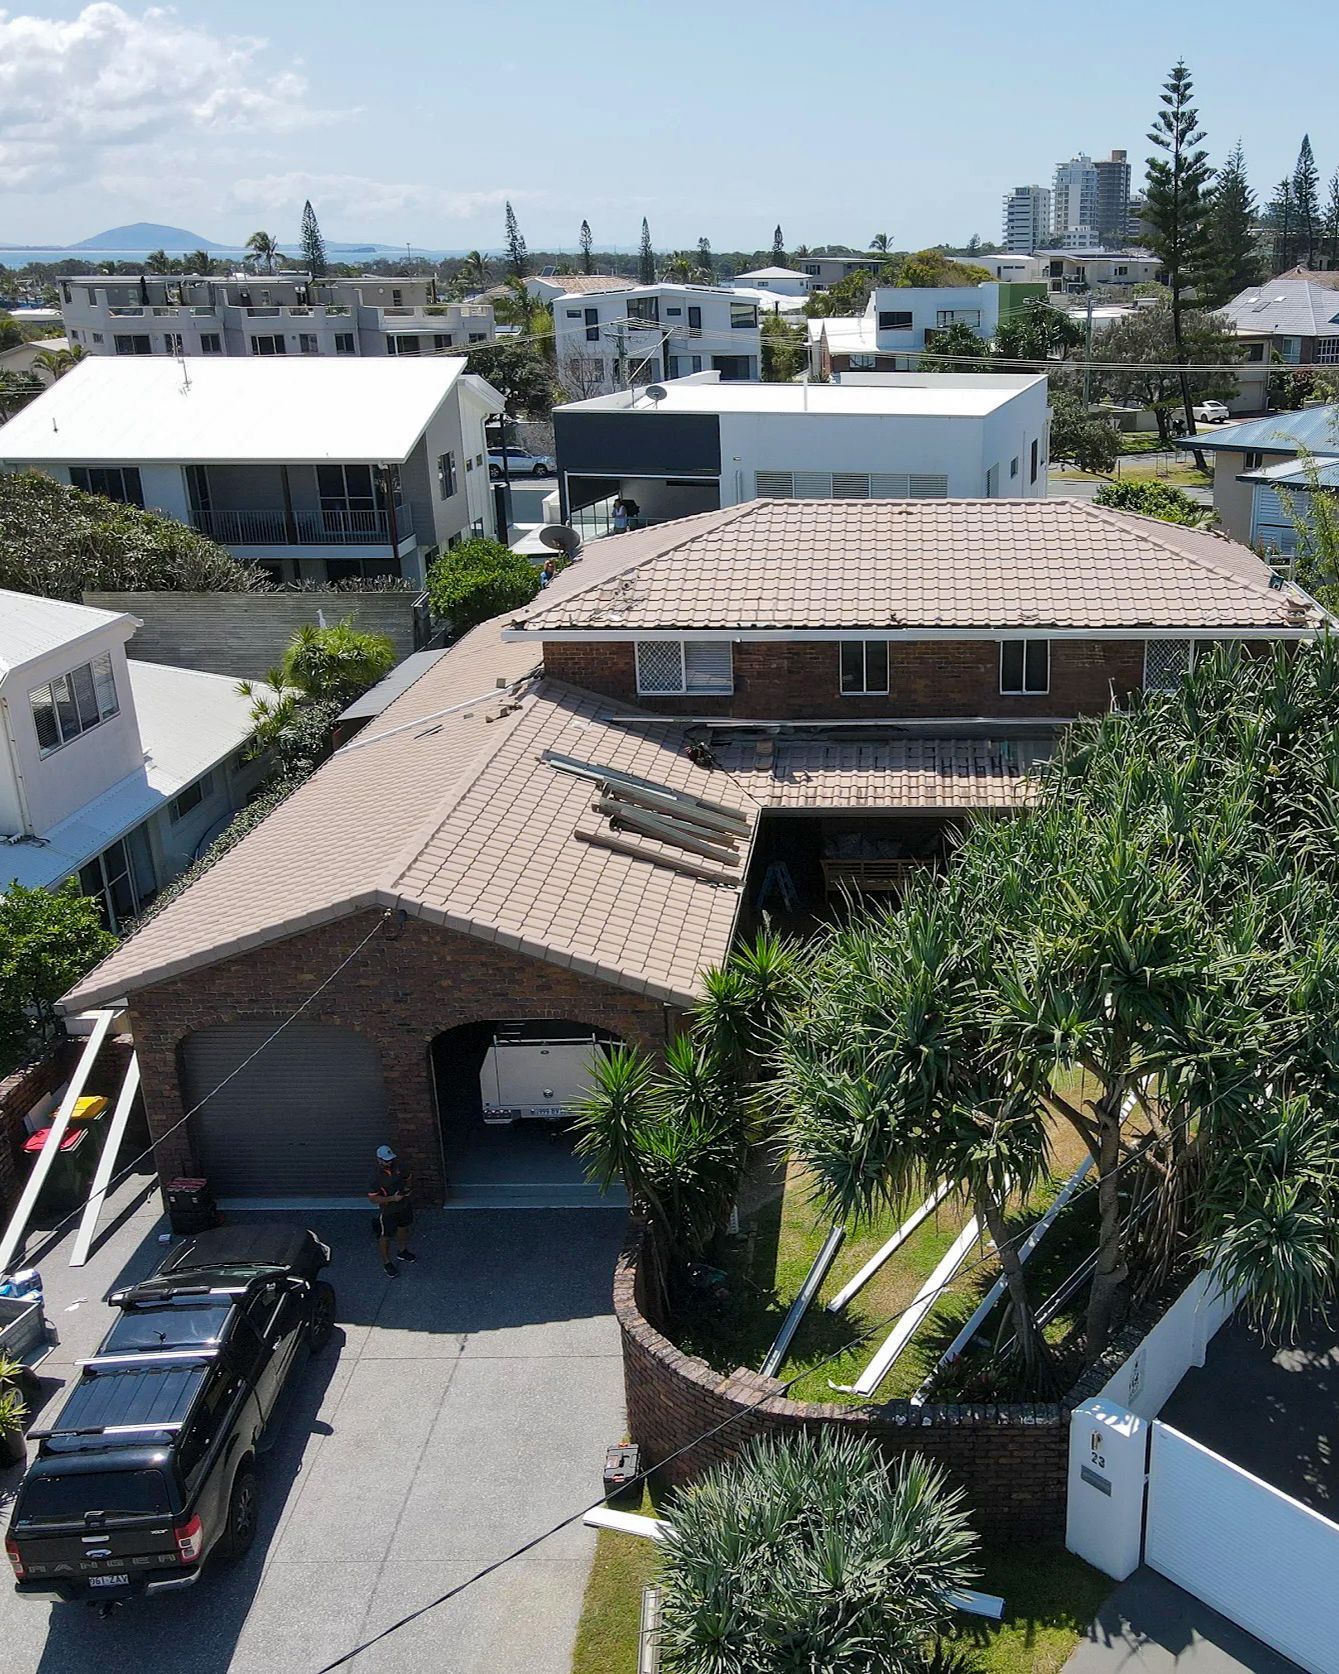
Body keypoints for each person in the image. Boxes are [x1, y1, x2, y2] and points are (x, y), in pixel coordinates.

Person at [368, 1144, 416, 1276]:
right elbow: (373, 1199)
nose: (389, 1162)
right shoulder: (375, 1177)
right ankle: (387, 1263)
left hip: (404, 1205)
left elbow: (408, 1177)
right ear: (379, 1160)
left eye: (390, 1159)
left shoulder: (399, 1165)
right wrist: (392, 1199)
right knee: (386, 1236)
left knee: (403, 1228)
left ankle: (402, 1251)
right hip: (388, 1210)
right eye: (386, 1160)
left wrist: (407, 1188)